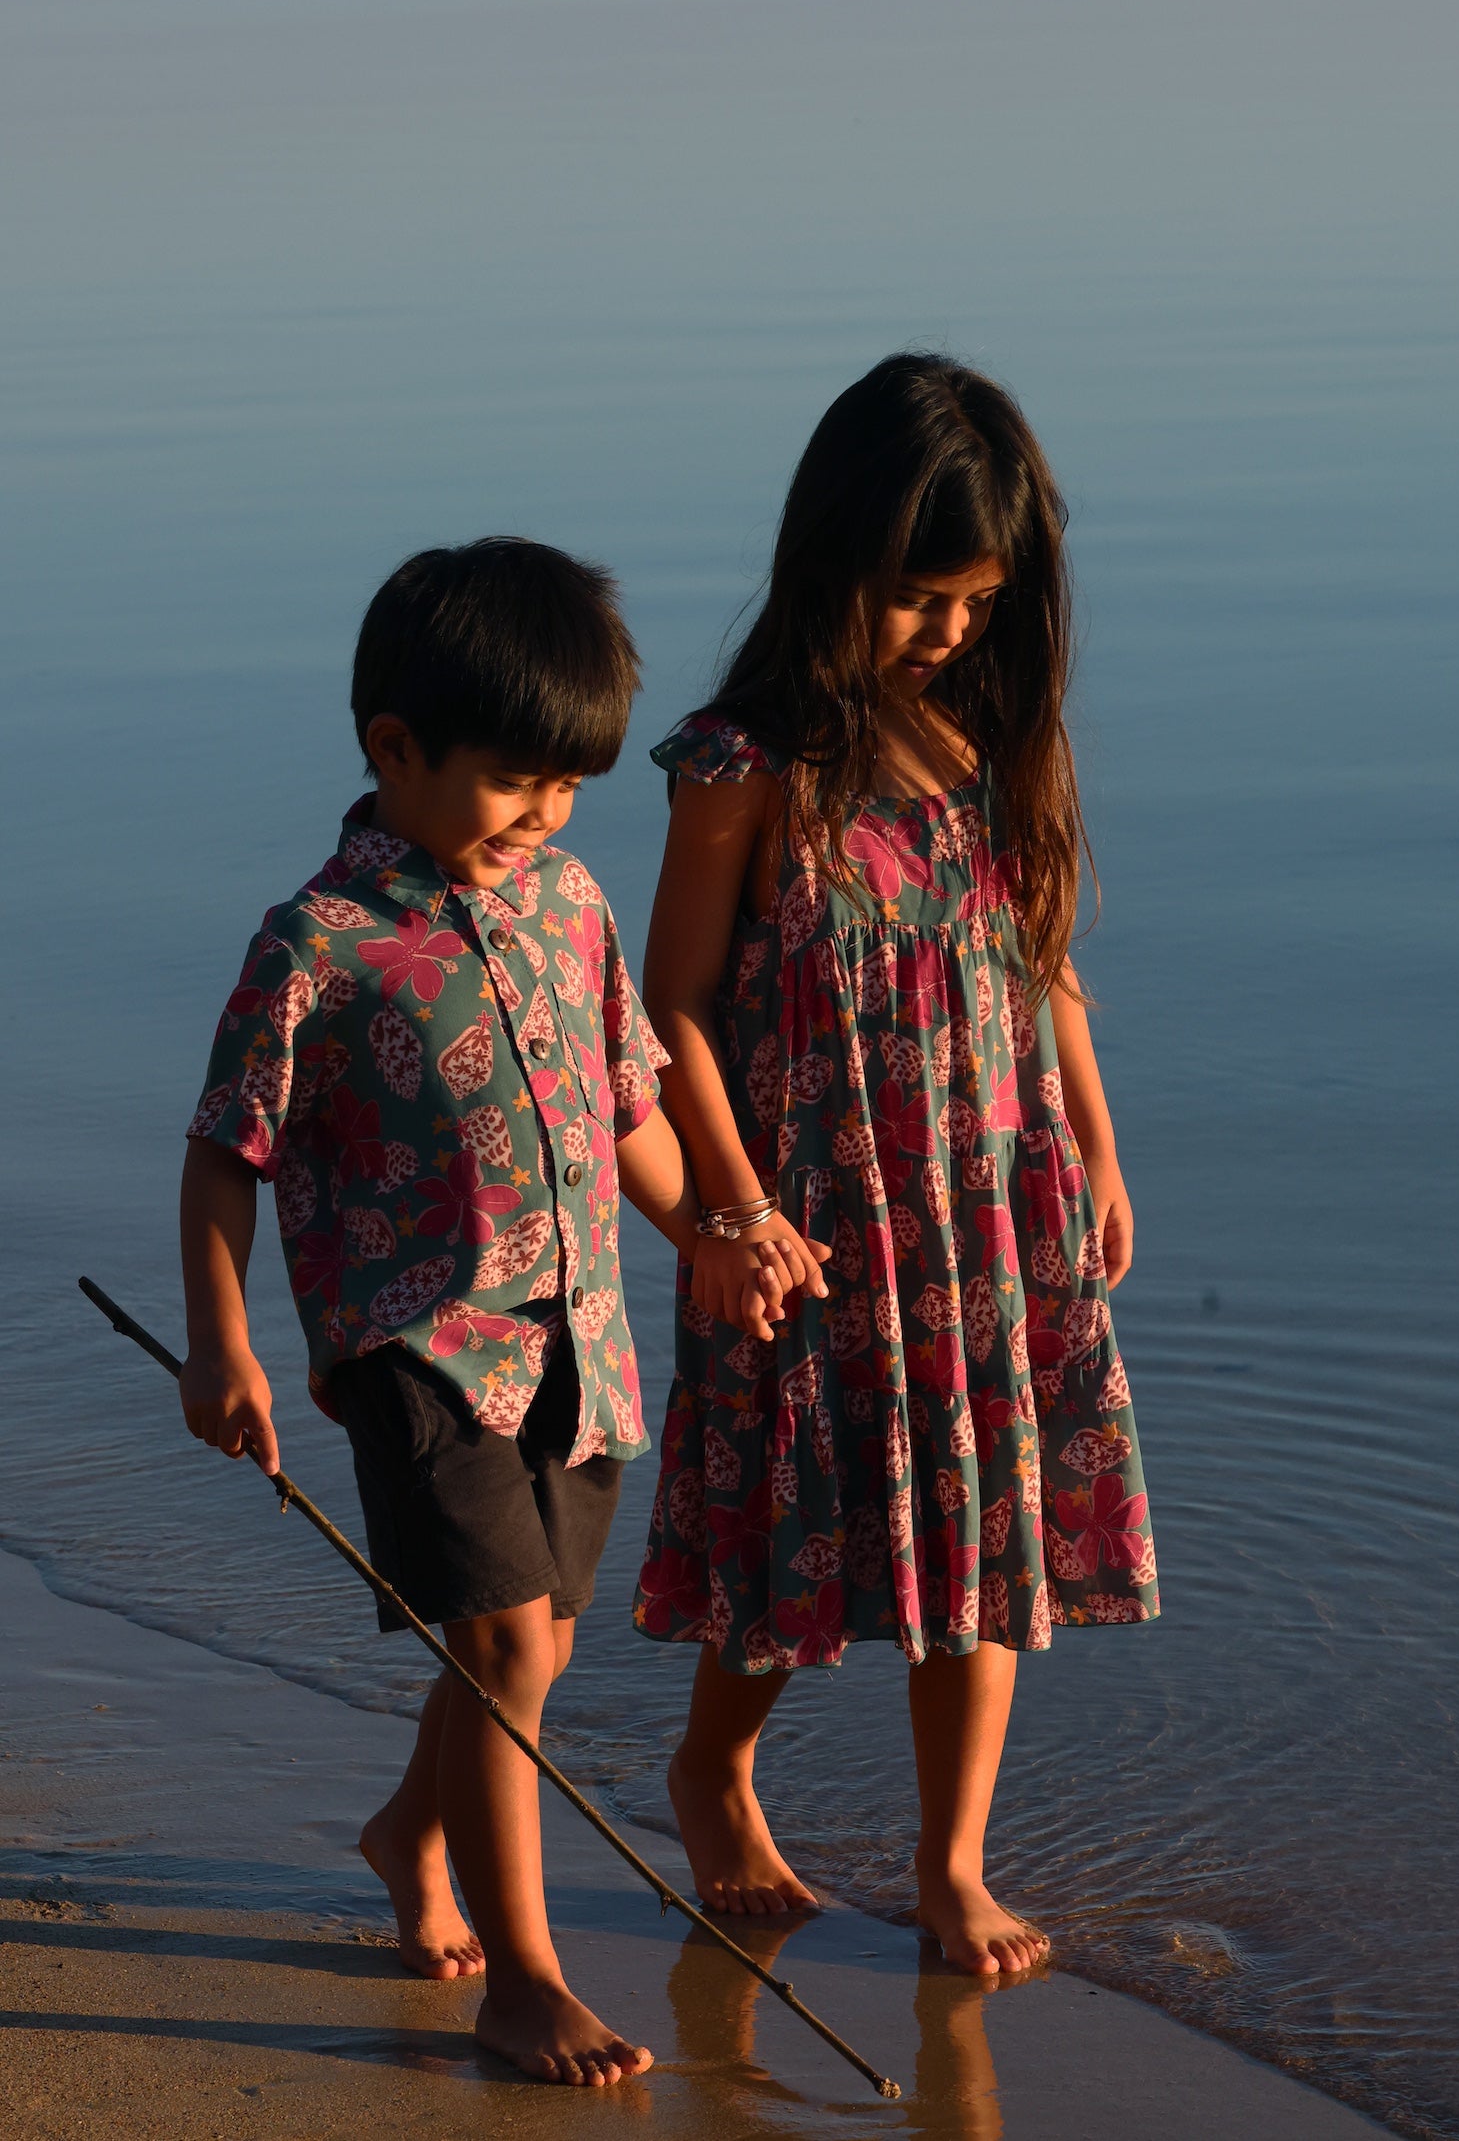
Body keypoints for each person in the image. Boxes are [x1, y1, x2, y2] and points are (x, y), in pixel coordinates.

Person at [176, 538, 809, 2085]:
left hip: (580, 1348)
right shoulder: (315, 946)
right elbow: (225, 1149)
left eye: (566, 785)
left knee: (527, 1649)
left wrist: (721, 1225)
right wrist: (223, 1339)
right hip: (418, 1353)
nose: (542, 814)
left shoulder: (570, 899)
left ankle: (410, 1832)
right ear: (393, 749)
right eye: (511, 781)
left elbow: (628, 1107)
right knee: (508, 1645)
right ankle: (524, 1981)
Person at [633, 355, 1159, 1976]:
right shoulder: (747, 763)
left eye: (977, 602)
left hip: (992, 1203)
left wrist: (1093, 1133)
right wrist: (731, 1200)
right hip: (822, 1213)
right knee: (800, 1525)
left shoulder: (987, 740)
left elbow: (1041, 957)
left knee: (987, 1534)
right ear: (834, 559)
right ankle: (715, 1769)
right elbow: (671, 1004)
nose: (945, 632)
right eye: (919, 597)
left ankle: (950, 1864)